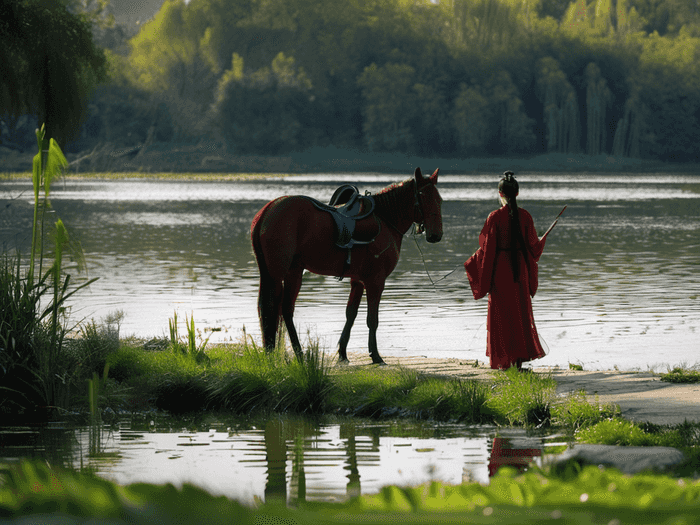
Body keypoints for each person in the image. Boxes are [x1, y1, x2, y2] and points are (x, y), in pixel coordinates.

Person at [464, 171, 547, 370]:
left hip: (501, 271)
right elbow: (533, 248)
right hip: (520, 273)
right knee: (520, 315)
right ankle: (518, 362)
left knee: (502, 317)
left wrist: (474, 260)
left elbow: (486, 247)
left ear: (500, 193)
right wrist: (542, 241)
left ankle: (504, 362)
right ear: (517, 193)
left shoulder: (494, 217)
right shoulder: (525, 216)